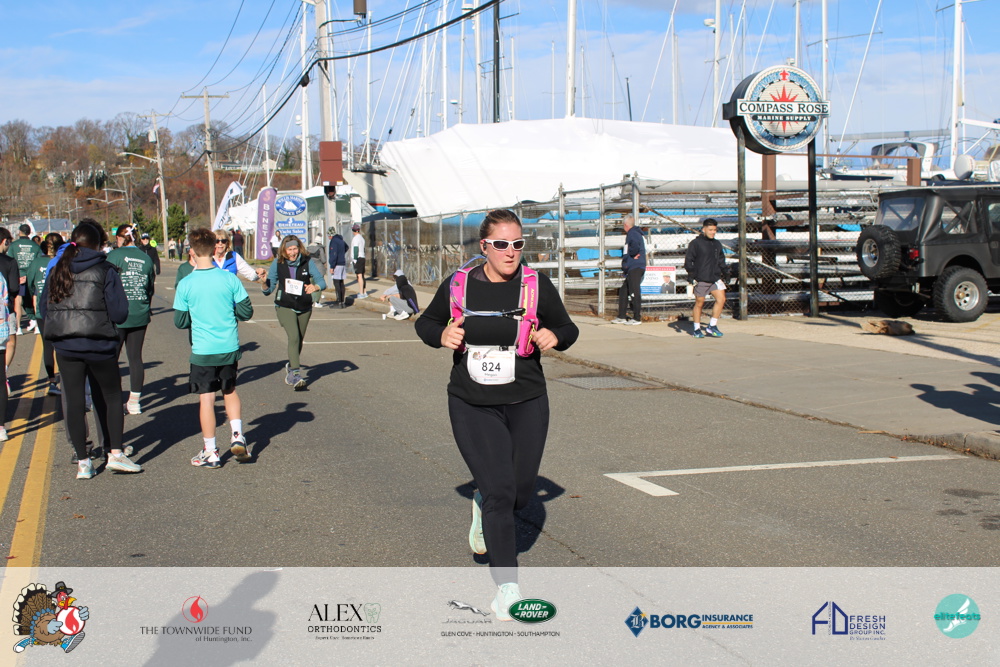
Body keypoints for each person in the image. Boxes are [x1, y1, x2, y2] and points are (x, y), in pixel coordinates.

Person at [414, 209, 579, 620]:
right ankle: (507, 589)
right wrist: (441, 334)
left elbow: (568, 328)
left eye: (518, 244)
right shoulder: (459, 284)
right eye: (502, 244)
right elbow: (426, 322)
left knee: (520, 494)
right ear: (484, 246)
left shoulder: (535, 285)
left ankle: (482, 499)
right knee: (501, 494)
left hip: (527, 400)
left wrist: (555, 335)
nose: (511, 252)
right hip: (472, 402)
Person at [40, 220, 141, 479]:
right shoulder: (105, 270)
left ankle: (83, 462)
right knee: (110, 397)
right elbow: (120, 313)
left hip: (66, 345)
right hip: (99, 344)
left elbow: (43, 308)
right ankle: (115, 453)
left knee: (74, 401)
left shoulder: (58, 269)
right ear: (98, 245)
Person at [173, 228, 254, 469]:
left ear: (192, 251)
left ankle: (211, 451)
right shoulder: (229, 279)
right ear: (214, 248)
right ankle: (237, 435)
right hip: (228, 345)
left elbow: (180, 321)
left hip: (203, 349)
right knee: (229, 390)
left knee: (207, 399)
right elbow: (246, 311)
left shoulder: (186, 283)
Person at [261, 235, 326, 389]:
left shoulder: (307, 261)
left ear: (299, 248)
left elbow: (321, 281)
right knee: (294, 336)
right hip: (284, 305)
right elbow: (268, 289)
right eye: (289, 249)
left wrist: (315, 287)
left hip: (304, 305)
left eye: (295, 249)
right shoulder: (278, 263)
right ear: (284, 250)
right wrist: (264, 282)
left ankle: (291, 366)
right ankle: (295, 374)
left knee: (299, 340)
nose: (292, 253)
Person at [107, 224, 156, 414]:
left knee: (112, 358)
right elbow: (150, 286)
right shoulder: (145, 258)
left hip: (117, 313)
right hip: (140, 311)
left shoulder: (113, 256)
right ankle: (134, 401)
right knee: (135, 357)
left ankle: (113, 399)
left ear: (120, 238)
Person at [25, 233, 64, 395]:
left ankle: (52, 381)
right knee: (62, 345)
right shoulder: (64, 261)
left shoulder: (36, 263)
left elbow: (29, 286)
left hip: (43, 310)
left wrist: (31, 310)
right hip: (62, 310)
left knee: (47, 346)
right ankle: (66, 380)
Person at [684, 218, 729, 338]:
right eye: (710, 230)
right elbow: (689, 260)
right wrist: (691, 274)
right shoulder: (695, 243)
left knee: (721, 299)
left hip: (714, 278)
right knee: (699, 303)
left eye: (714, 230)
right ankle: (696, 329)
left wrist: (726, 272)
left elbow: (721, 260)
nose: (713, 232)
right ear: (704, 229)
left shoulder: (717, 244)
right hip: (701, 278)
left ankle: (712, 326)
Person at [610, 214, 646, 325]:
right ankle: (621, 316)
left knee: (634, 291)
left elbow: (634, 246)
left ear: (625, 225)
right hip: (632, 267)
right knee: (624, 291)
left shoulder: (632, 233)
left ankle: (637, 318)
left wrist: (633, 254)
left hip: (635, 267)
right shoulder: (633, 233)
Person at [10, 223, 41, 336]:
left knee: (18, 301)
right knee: (35, 300)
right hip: (33, 275)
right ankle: (37, 325)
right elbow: (38, 261)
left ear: (20, 232)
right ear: (29, 232)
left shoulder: (13, 245)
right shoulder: (35, 246)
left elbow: (10, 261)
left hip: (18, 275)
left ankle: (18, 328)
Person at [0, 229, 20, 387]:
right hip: (6, 309)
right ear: (5, 241)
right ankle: (4, 372)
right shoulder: (10, 262)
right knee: (10, 341)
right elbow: (14, 288)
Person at [305, 236, 328, 307]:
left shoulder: (308, 248)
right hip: (319, 268)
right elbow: (323, 260)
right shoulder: (320, 248)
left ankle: (311, 301)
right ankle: (316, 302)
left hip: (309, 268)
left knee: (310, 285)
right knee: (318, 285)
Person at [328, 232, 348, 308]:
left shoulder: (333, 241)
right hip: (342, 263)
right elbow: (347, 247)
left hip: (337, 264)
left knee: (336, 282)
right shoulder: (341, 240)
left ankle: (338, 302)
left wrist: (332, 266)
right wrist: (341, 254)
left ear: (331, 235)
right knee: (341, 282)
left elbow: (333, 254)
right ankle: (342, 301)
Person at [350, 223, 367, 299]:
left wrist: (355, 259)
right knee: (362, 275)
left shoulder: (355, 238)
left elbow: (355, 249)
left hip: (358, 258)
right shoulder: (362, 238)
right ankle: (364, 291)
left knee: (359, 276)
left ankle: (361, 293)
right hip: (362, 257)